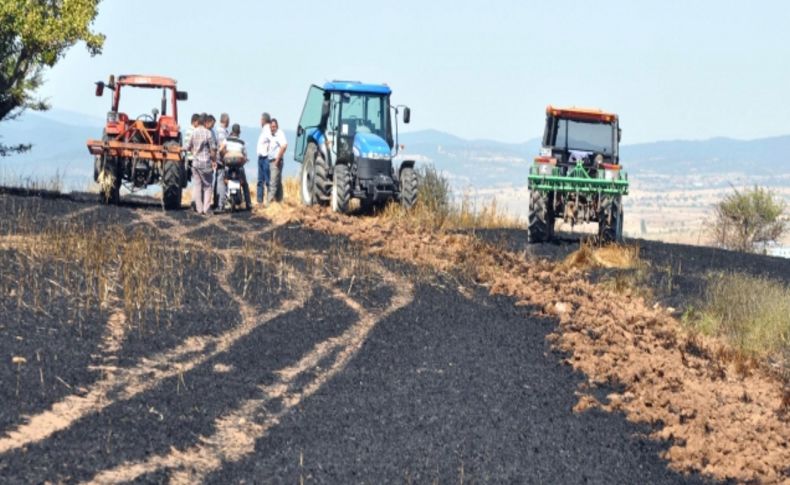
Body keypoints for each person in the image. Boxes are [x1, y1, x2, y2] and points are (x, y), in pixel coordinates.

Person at [182, 113, 217, 215]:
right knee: (207, 186)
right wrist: (214, 160)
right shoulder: (208, 133)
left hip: (195, 163)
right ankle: (206, 209)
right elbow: (213, 149)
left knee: (197, 186)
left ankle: (199, 208)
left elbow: (188, 147)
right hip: (206, 163)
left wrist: (190, 151)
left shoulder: (194, 132)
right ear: (205, 122)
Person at [219, 123, 252, 210]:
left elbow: (221, 149)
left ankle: (222, 203)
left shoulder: (226, 140)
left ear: (232, 131)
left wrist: (224, 155)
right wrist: (244, 160)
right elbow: (245, 155)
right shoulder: (241, 142)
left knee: (223, 183)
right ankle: (248, 203)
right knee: (244, 184)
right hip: (239, 165)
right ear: (239, 132)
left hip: (228, 164)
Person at [266, 118, 288, 204]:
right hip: (271, 160)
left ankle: (269, 203)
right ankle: (279, 201)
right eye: (271, 127)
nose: (273, 128)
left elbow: (284, 146)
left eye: (274, 126)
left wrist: (278, 159)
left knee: (273, 182)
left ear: (277, 126)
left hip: (276, 161)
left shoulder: (279, 134)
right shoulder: (271, 135)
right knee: (278, 182)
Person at [213, 113, 231, 213]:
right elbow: (222, 148)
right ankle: (221, 204)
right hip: (222, 160)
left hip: (219, 159)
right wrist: (226, 157)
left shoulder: (218, 131)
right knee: (221, 182)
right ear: (226, 121)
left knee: (218, 180)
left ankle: (217, 201)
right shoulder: (221, 132)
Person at [184, 113, 200, 211]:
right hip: (193, 158)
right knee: (197, 182)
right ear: (194, 122)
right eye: (198, 123)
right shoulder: (194, 131)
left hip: (189, 159)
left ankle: (195, 202)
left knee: (196, 182)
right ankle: (195, 202)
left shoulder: (187, 130)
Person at [256, 112, 272, 204]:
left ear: (263, 120)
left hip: (265, 158)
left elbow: (271, 142)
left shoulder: (268, 129)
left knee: (266, 180)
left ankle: (267, 200)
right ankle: (260, 200)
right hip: (261, 157)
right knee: (261, 180)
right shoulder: (264, 130)